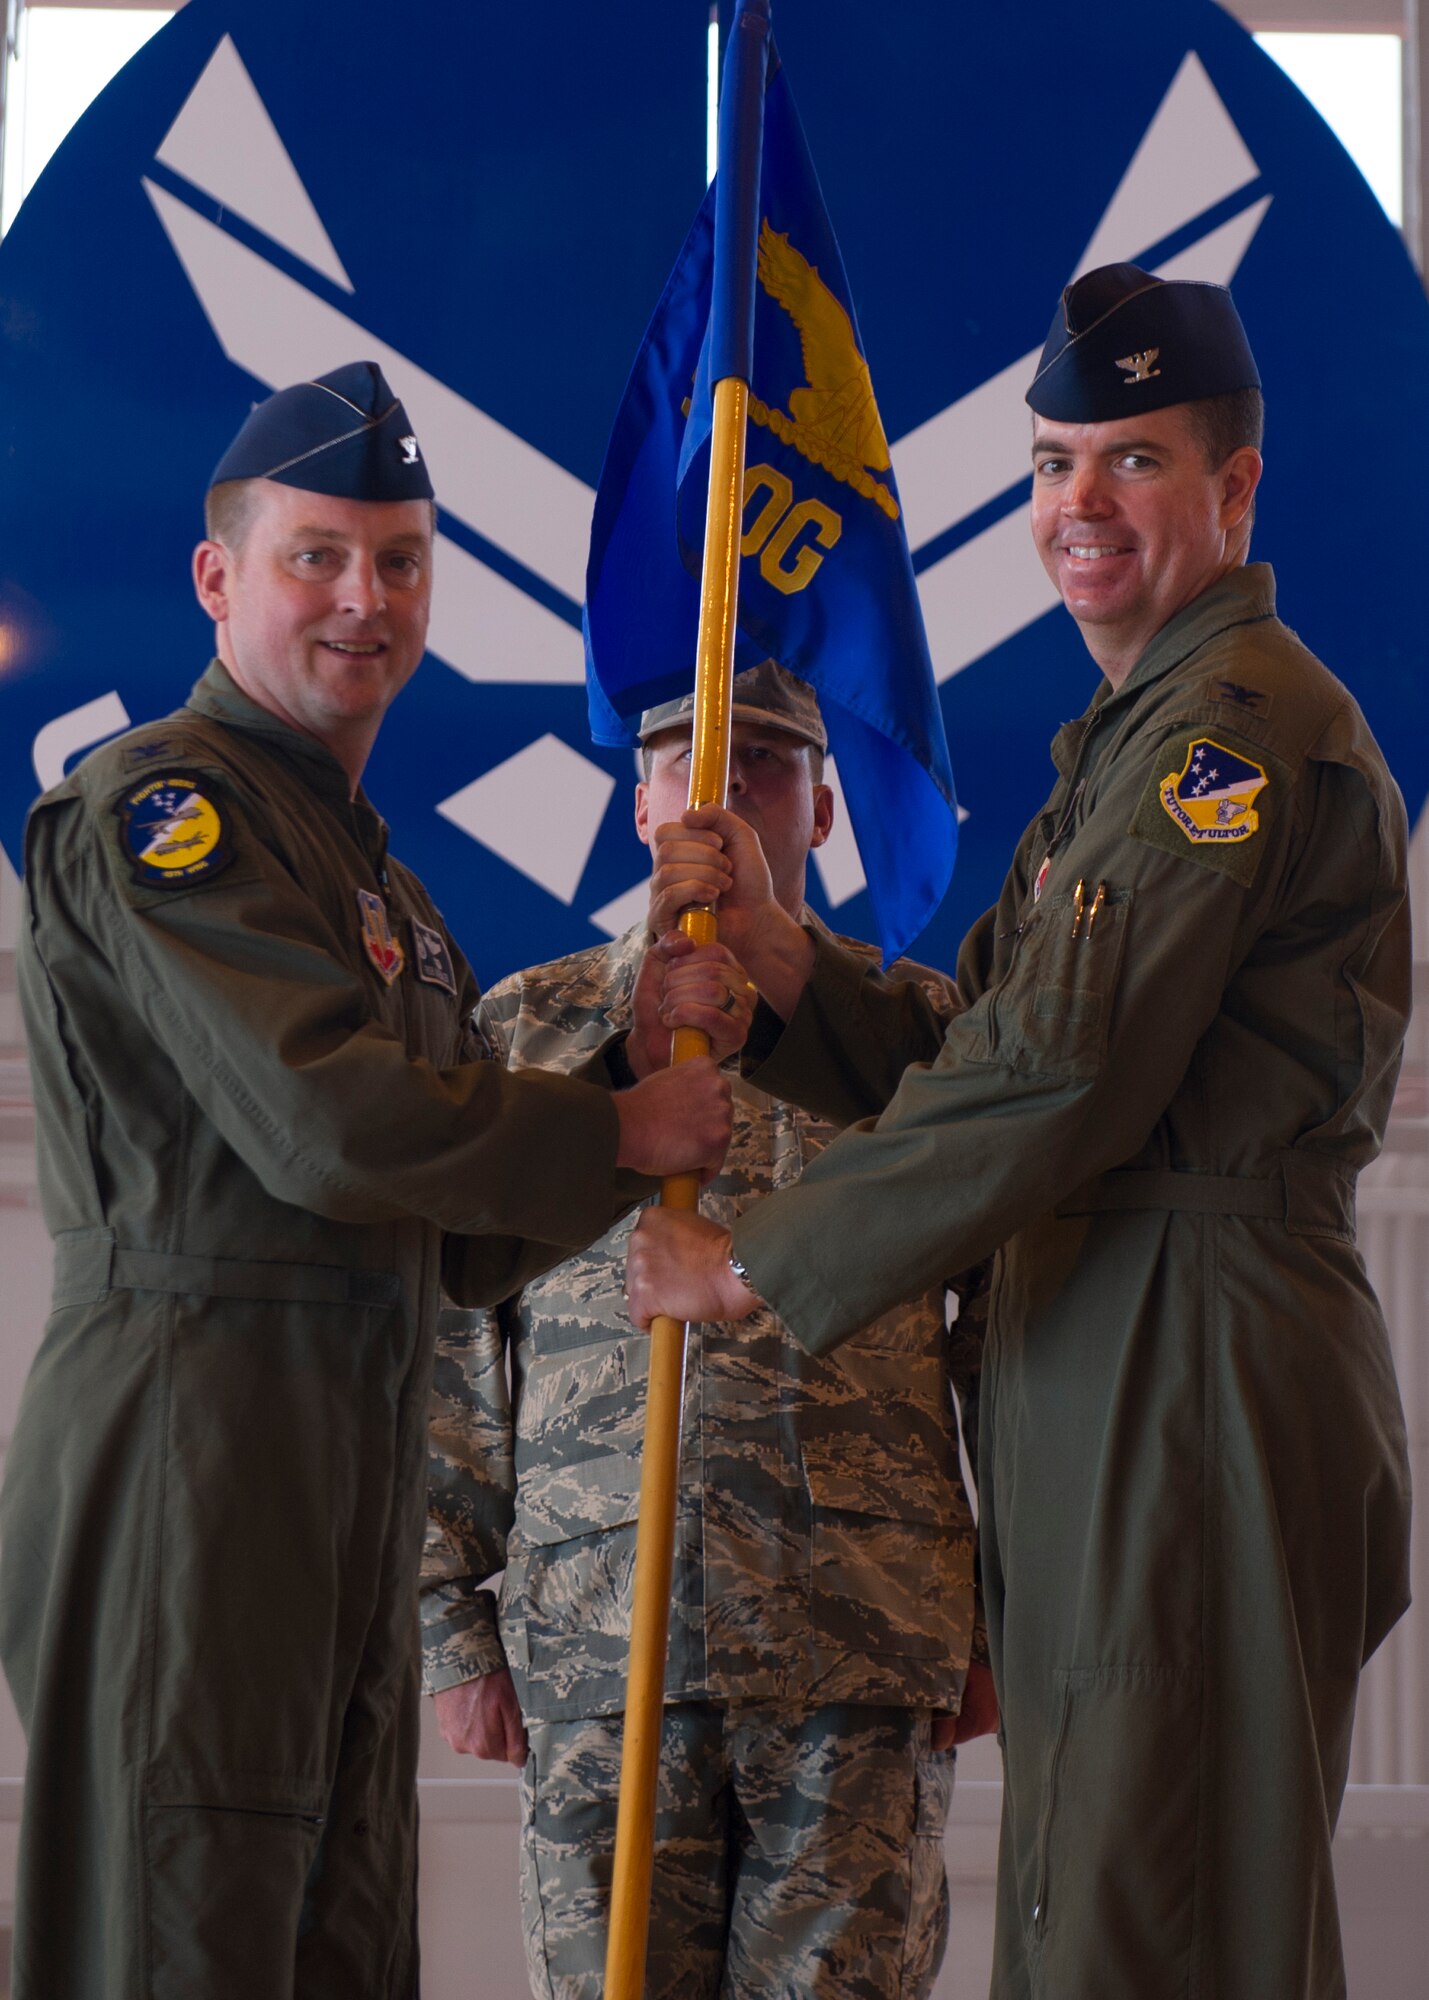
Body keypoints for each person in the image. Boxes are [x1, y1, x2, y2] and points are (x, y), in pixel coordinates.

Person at [626, 266, 1414, 1999]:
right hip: (1110, 1345)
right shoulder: (1122, 748)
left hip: (1188, 1352)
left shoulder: (1229, 734)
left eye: (1129, 460)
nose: (1078, 507)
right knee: (1102, 1884)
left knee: (1157, 1904)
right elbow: (986, 1037)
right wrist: (783, 964)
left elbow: (1059, 1074)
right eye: (1053, 463)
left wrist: (758, 1258)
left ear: (1234, 485)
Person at [0, 361, 733, 2000]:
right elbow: (329, 1128)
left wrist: (626, 1077)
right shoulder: (163, 810)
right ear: (219, 578)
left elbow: (449, 1233)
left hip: (342, 1450)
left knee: (332, 1942)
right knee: (180, 1930)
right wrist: (617, 1135)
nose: (363, 599)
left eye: (399, 561)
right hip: (192, 1448)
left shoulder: (373, 873)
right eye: (315, 556)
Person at [422, 661, 997, 2000]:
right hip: (598, 1638)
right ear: (636, 809)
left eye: (766, 769)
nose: (724, 796)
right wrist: (453, 1623)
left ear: (824, 811)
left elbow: (1002, 1339)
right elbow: (454, 1339)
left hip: (857, 1639)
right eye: (688, 766)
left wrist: (996, 1625)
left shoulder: (918, 1049)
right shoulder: (529, 1029)